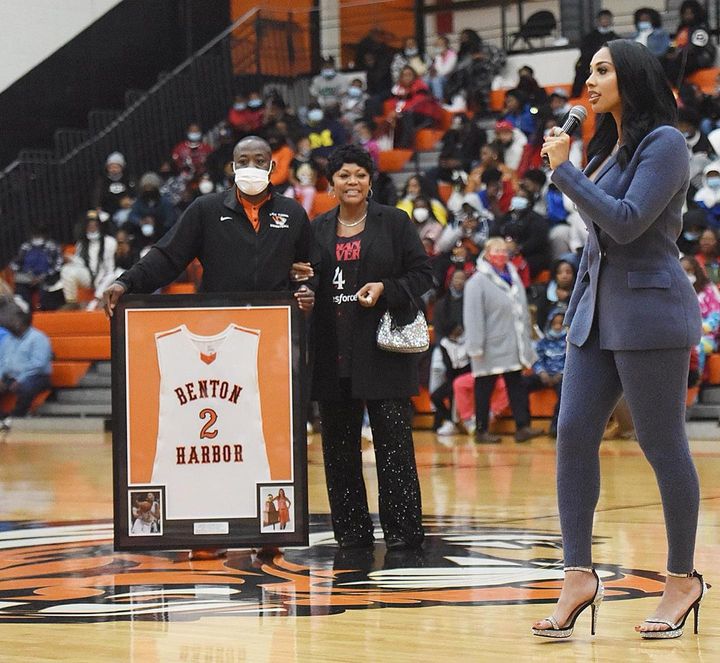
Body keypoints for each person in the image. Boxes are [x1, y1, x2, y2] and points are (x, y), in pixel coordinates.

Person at [536, 39, 706, 639]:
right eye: (587, 71)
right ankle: (577, 573)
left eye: (602, 70)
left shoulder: (666, 144)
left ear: (631, 76)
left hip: (650, 314)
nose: (590, 81)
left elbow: (628, 222)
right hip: (595, 316)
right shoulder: (609, 146)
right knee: (573, 436)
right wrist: (573, 173)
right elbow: (598, 229)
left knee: (662, 445)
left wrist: (565, 174)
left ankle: (683, 577)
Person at [308, 144, 432, 550]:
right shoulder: (317, 228)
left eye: (360, 174)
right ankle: (352, 533)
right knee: (339, 453)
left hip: (382, 353)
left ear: (370, 180)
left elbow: (422, 274)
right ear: (331, 182)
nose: (353, 182)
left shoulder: (394, 222)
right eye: (344, 175)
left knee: (393, 450)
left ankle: (404, 534)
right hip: (332, 354)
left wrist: (386, 289)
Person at [102, 136, 316, 317]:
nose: (251, 167)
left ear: (272, 167)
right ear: (233, 168)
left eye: (259, 161)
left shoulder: (293, 212)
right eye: (243, 161)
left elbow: (310, 267)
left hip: (276, 319)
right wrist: (126, 283)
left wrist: (307, 288)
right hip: (221, 317)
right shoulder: (206, 209)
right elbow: (168, 256)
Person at [463, 237, 543, 444]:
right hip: (488, 345)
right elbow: (472, 317)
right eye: (496, 250)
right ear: (487, 254)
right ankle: (481, 430)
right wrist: (475, 346)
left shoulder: (513, 275)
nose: (501, 254)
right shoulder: (477, 282)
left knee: (517, 384)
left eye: (504, 250)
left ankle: (522, 427)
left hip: (512, 342)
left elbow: (522, 310)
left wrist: (526, 340)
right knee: (484, 387)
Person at [0, 301, 52, 432]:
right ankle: (2, 418)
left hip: (36, 376)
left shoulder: (39, 338)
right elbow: (2, 361)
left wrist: (20, 379)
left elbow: (38, 364)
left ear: (21, 323)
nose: (9, 323)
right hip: (11, 376)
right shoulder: (8, 339)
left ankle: (16, 417)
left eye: (13, 320)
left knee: (26, 387)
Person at [60, 211, 117, 310]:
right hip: (89, 276)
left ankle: (99, 301)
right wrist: (70, 259)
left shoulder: (110, 242)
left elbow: (110, 270)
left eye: (94, 225)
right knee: (66, 270)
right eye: (89, 225)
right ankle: (71, 302)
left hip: (105, 278)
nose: (92, 227)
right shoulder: (81, 243)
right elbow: (81, 263)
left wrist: (98, 294)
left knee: (115, 275)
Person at [524, 308, 567, 437]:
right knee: (521, 384)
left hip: (562, 377)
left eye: (561, 323)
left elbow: (572, 362)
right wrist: (542, 372)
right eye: (555, 323)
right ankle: (524, 425)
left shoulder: (569, 342)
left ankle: (555, 427)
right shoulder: (543, 342)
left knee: (566, 392)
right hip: (545, 376)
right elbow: (537, 359)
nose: (558, 326)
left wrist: (561, 373)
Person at [681, 255, 720, 377]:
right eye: (683, 271)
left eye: (689, 271)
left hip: (706, 336)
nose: (687, 274)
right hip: (681, 334)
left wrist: (703, 327)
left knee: (697, 346)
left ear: (696, 270)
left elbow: (717, 315)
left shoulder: (708, 290)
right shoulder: (677, 290)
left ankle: (695, 379)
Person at [10, 225, 64, 311]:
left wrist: (43, 276)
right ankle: (25, 312)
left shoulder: (53, 246)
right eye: (35, 235)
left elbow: (58, 265)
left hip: (47, 278)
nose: (37, 237)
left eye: (39, 235)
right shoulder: (26, 246)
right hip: (28, 278)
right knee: (20, 287)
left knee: (48, 291)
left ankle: (45, 312)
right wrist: (27, 276)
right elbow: (15, 264)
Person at [662, 0, 715, 86]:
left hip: (697, 58)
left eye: (690, 14)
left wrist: (679, 53)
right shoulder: (681, 28)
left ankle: (680, 87)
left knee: (678, 63)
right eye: (685, 14)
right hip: (680, 56)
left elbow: (697, 47)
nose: (687, 16)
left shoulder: (701, 28)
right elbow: (675, 43)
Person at [571, 10, 620, 98]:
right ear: (598, 21)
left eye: (607, 19)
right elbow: (584, 52)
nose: (605, 21)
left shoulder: (615, 37)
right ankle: (575, 98)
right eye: (603, 19)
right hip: (589, 66)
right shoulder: (589, 37)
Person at [390, 66, 442, 149]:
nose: (407, 77)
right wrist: (394, 113)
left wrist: (398, 112)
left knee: (406, 115)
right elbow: (395, 104)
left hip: (426, 116)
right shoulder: (399, 89)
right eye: (404, 75)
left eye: (409, 75)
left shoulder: (420, 87)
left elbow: (416, 104)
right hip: (409, 115)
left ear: (414, 76)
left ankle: (406, 147)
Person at [528, 259, 576, 329]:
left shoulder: (580, 295)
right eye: (559, 273)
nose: (564, 276)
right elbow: (540, 317)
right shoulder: (546, 293)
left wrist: (568, 297)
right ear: (555, 276)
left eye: (568, 272)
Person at [127, 172, 178, 237]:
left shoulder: (165, 202)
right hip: (142, 230)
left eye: (151, 187)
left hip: (161, 232)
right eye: (146, 187)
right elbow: (132, 215)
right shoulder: (139, 201)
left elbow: (170, 219)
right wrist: (141, 221)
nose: (148, 190)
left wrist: (156, 223)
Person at [92, 151, 136, 218]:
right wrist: (98, 208)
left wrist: (130, 202)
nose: (114, 170)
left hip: (125, 210)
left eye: (116, 167)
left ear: (122, 168)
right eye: (111, 167)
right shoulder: (103, 181)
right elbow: (97, 196)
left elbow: (135, 193)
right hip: (107, 210)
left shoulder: (128, 179)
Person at [427, 35, 457, 100]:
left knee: (435, 80)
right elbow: (430, 70)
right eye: (436, 44)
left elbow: (444, 72)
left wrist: (439, 58)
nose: (437, 46)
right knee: (424, 79)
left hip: (449, 79)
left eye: (439, 44)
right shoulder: (437, 55)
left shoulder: (452, 55)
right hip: (437, 76)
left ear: (446, 45)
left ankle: (439, 102)